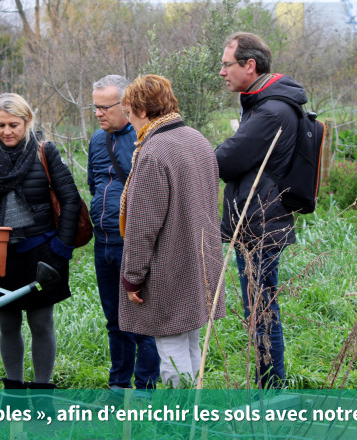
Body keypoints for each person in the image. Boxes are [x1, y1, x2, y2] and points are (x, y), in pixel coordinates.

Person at [0, 93, 82, 395]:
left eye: (14, 124)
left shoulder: (44, 152)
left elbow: (71, 201)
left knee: (41, 323)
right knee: (7, 324)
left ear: (27, 122)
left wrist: (61, 250)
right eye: (0, 124)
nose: (6, 131)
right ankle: (13, 392)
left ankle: (42, 394)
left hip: (43, 251)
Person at [118, 74, 225, 389]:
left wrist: (133, 277)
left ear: (141, 109)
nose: (128, 121)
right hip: (201, 258)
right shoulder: (196, 138)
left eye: (128, 113)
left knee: (172, 346)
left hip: (170, 265)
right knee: (189, 340)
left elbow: (143, 225)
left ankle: (179, 421)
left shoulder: (154, 152)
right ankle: (194, 413)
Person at [215, 32, 306, 389]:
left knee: (262, 310)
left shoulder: (270, 110)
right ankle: (269, 385)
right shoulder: (262, 104)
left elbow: (225, 161)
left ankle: (272, 391)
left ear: (249, 65)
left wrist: (227, 143)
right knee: (260, 308)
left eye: (226, 65)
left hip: (260, 224)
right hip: (258, 218)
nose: (222, 72)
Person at [87, 75, 160, 391]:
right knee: (114, 320)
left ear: (126, 104)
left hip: (133, 244)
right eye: (95, 107)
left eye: (105, 107)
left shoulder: (146, 139)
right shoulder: (95, 140)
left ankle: (145, 389)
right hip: (101, 243)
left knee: (142, 322)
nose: (99, 113)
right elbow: (95, 184)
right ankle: (118, 386)